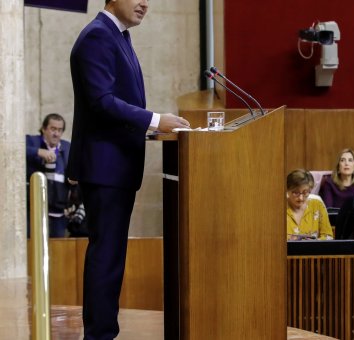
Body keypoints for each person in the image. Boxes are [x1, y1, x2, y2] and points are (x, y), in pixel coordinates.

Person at [67, 1, 190, 338]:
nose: (144, 4)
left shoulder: (117, 36)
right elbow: (101, 101)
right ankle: (99, 334)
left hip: (116, 166)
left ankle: (104, 331)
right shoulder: (97, 36)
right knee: (106, 256)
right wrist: (154, 119)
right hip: (104, 168)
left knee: (111, 256)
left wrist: (153, 128)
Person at [26, 113, 72, 237]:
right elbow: (16, 148)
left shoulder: (67, 148)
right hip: (33, 210)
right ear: (44, 129)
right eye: (53, 129)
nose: (56, 133)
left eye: (59, 130)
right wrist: (38, 152)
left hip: (58, 213)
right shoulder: (32, 141)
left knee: (57, 249)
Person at [286, 169, 333, 240]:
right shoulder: (279, 207)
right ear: (287, 191)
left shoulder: (317, 204)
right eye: (296, 193)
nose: (301, 198)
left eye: (305, 192)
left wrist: (314, 243)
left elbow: (328, 236)